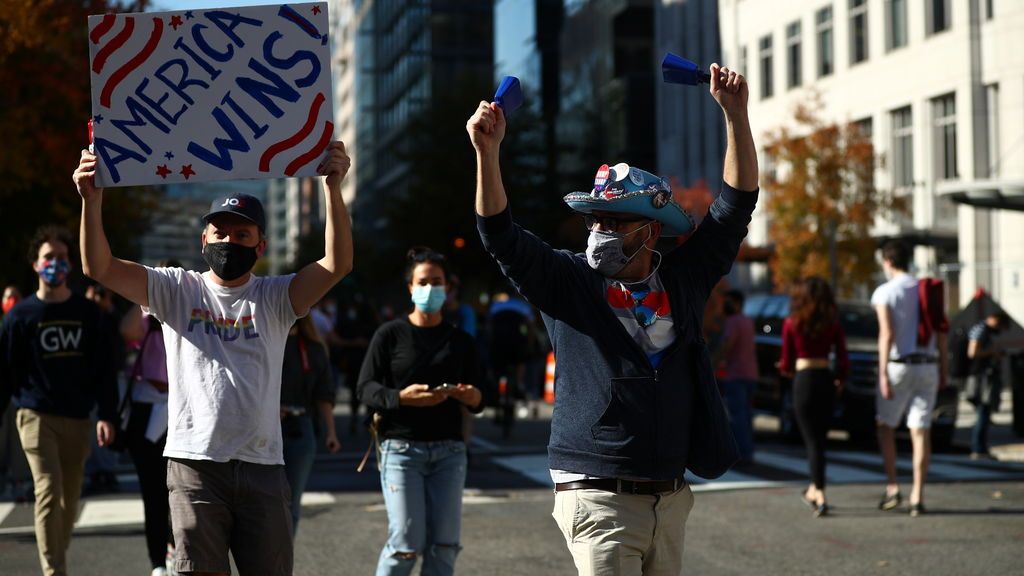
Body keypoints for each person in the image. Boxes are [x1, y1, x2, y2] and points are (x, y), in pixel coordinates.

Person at [469, 63, 756, 574]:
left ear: (651, 231)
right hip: (595, 493)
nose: (601, 229)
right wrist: (488, 155)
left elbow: (734, 208)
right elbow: (500, 236)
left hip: (669, 496)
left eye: (616, 221)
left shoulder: (683, 280)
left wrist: (736, 115)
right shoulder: (567, 280)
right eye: (595, 219)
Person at [73, 141, 353, 576]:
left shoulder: (276, 296)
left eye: (242, 235)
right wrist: (92, 200)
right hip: (194, 466)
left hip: (262, 465)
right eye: (219, 233)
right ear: (203, 239)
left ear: (261, 245)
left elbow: (336, 264)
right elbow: (100, 267)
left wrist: (332, 189)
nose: (228, 241)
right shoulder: (175, 289)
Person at [0, 225, 119, 576]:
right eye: (48, 258)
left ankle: (56, 554)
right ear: (36, 265)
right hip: (36, 417)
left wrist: (107, 415)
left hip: (78, 418)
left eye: (62, 258)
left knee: (69, 503)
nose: (56, 264)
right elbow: (4, 372)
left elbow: (104, 370)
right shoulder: (19, 317)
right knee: (48, 491)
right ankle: (55, 572)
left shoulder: (88, 314)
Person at [357, 247, 483, 576]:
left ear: (448, 287)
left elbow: (482, 396)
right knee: (405, 545)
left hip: (449, 451)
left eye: (437, 282)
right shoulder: (390, 334)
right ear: (410, 288)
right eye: (423, 282)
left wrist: (470, 396)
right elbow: (365, 388)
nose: (430, 289)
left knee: (445, 546)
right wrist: (401, 397)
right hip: (401, 449)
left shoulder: (461, 340)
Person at [871, 240, 947, 517]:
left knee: (886, 427)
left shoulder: (885, 292)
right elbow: (941, 332)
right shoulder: (928, 289)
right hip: (928, 365)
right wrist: (944, 368)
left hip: (898, 365)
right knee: (920, 431)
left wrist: (881, 373)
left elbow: (886, 334)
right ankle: (918, 494)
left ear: (888, 261)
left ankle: (893, 486)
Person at [119, 259, 182, 576]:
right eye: (159, 279)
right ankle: (158, 561)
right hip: (148, 410)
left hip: (182, 409)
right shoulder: (146, 317)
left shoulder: (187, 313)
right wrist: (144, 294)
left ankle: (180, 553)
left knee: (184, 490)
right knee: (153, 493)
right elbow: (126, 330)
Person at [778, 278, 848, 517]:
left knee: (812, 442)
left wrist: (785, 369)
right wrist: (840, 379)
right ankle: (814, 489)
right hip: (825, 379)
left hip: (804, 381)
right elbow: (843, 358)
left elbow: (787, 362)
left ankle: (818, 492)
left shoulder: (792, 322)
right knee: (820, 441)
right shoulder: (833, 323)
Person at [280, 313, 341, 535]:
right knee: (262, 502)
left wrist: (331, 433)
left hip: (300, 427)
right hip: (263, 428)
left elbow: (324, 395)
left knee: (291, 502)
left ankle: (282, 562)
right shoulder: (262, 340)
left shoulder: (314, 348)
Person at [715, 289, 759, 465]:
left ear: (737, 303)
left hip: (736, 374)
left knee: (737, 416)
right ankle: (748, 450)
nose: (726, 305)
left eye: (729, 301)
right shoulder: (748, 321)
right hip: (751, 374)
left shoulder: (733, 321)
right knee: (746, 415)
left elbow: (727, 345)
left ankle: (741, 453)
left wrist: (712, 362)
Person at [966, 311, 1010, 459]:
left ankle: (980, 448)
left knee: (984, 413)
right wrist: (992, 352)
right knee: (983, 412)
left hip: (981, 376)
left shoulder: (983, 330)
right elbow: (972, 352)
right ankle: (978, 448)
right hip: (981, 377)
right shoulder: (981, 330)